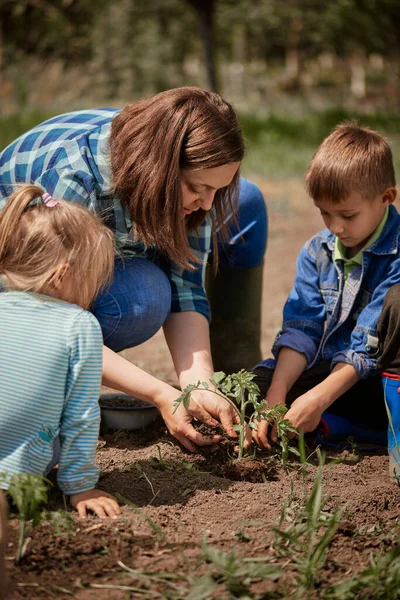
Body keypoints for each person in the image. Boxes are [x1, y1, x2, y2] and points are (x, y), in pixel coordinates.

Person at [0, 87, 267, 452]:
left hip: (85, 265)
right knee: (126, 307)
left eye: (216, 190)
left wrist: (200, 386)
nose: (208, 203)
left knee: (242, 203)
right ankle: (35, 383)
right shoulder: (74, 179)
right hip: (19, 292)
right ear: (158, 169)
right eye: (197, 187)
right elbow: (50, 321)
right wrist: (160, 393)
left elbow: (185, 288)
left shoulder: (200, 194)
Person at [251, 123, 400, 451]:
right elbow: (302, 330)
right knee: (256, 388)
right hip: (332, 371)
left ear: (387, 197)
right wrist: (276, 397)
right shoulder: (316, 251)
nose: (335, 227)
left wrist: (317, 397)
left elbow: (366, 348)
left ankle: (345, 428)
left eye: (347, 215)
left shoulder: (397, 252)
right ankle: (332, 426)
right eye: (324, 213)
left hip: (379, 378)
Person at [0, 184, 121, 519]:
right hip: (16, 483)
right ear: (62, 275)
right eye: (92, 280)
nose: (93, 291)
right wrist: (80, 486)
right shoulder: (79, 325)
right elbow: (81, 417)